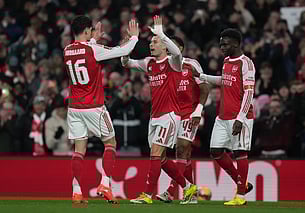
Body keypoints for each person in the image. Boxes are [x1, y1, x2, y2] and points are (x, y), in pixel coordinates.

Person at [121, 16, 197, 205]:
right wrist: (128, 45)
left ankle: (147, 194)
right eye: (151, 42)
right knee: (160, 158)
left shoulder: (173, 63)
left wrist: (161, 33)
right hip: (154, 117)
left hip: (170, 115)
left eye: (155, 42)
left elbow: (178, 54)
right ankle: (188, 188)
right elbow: (126, 63)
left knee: (155, 153)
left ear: (165, 46)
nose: (151, 45)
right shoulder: (149, 63)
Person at [64, 15, 139, 204]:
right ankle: (105, 184)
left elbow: (83, 49)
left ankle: (77, 192)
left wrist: (92, 40)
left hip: (74, 107)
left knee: (79, 150)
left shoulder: (67, 50)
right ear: (88, 30)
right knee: (110, 143)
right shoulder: (93, 49)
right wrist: (134, 37)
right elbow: (123, 50)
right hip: (94, 106)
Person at [193, 28, 255, 206]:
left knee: (240, 153)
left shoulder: (246, 63)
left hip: (239, 117)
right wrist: (203, 76)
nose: (222, 46)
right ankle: (242, 183)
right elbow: (224, 80)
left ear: (236, 43)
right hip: (223, 116)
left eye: (225, 43)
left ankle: (240, 197)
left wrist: (241, 118)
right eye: (220, 43)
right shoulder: (227, 61)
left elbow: (249, 93)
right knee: (215, 151)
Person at [156, 36, 209, 204]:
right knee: (183, 154)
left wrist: (198, 110)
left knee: (182, 147)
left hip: (189, 113)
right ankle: (192, 193)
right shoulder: (164, 67)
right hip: (172, 113)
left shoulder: (191, 64)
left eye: (172, 46)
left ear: (179, 48)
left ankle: (170, 192)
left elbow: (205, 87)